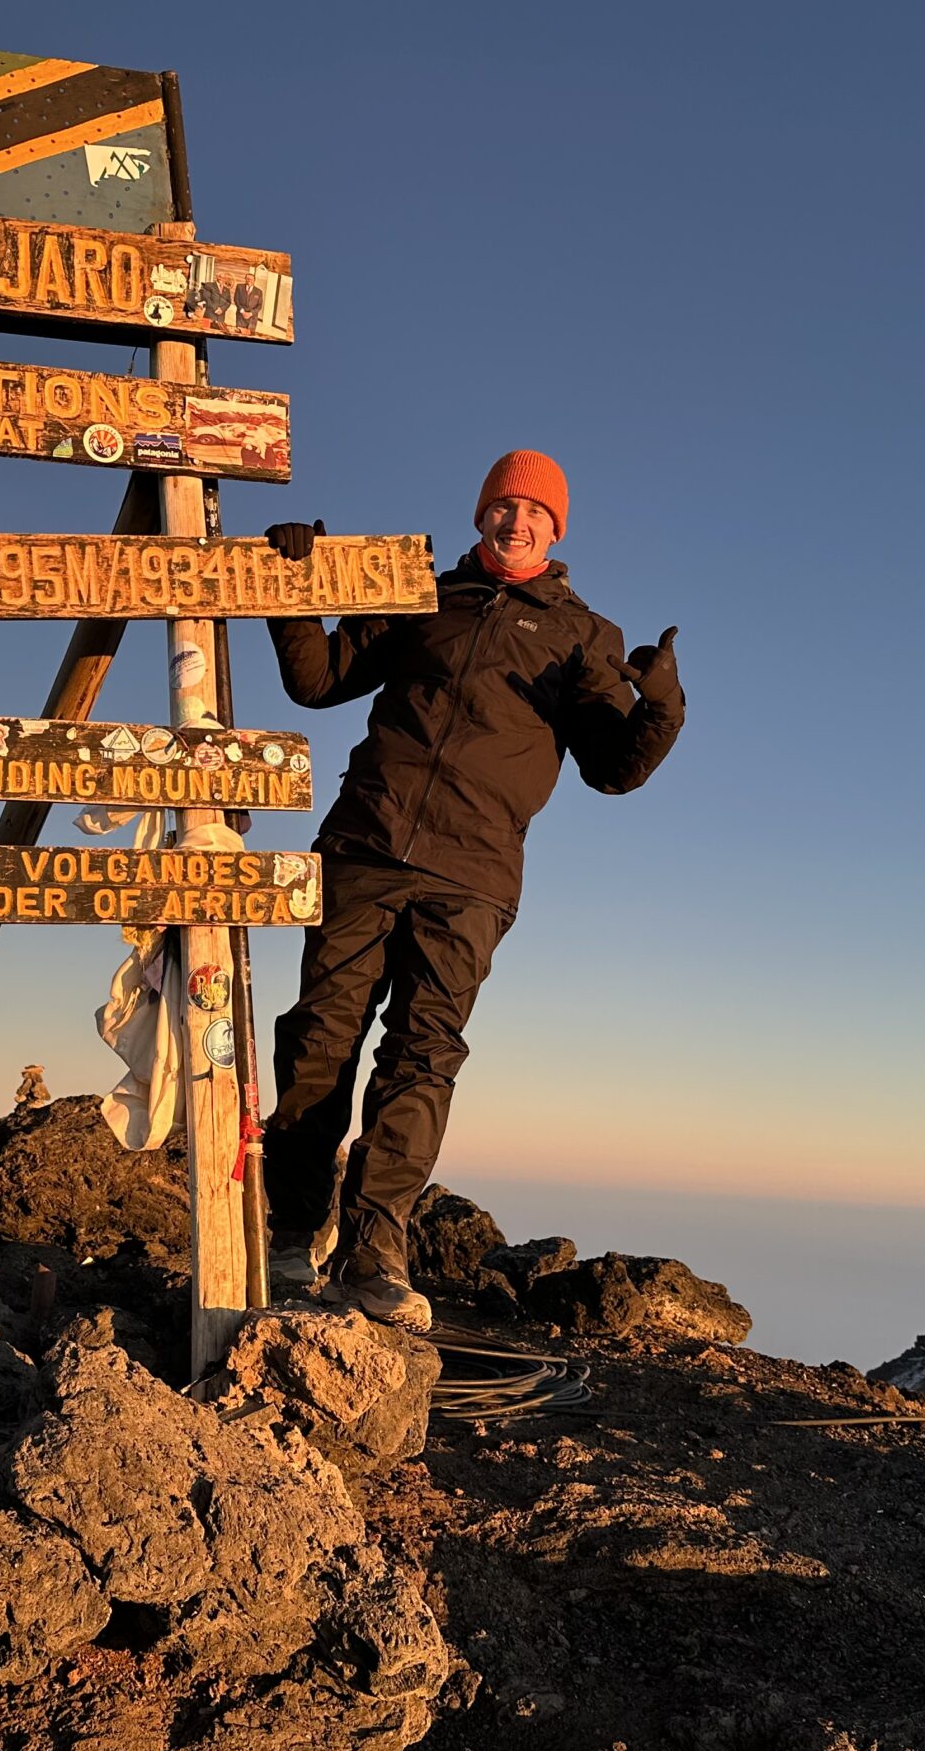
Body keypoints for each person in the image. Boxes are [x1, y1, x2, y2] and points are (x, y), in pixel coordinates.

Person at [259, 450, 684, 1330]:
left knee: (422, 1054)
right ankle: (292, 1237)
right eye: (503, 505)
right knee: (317, 1040)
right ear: (481, 514)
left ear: (556, 529)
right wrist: (291, 587)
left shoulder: (582, 635)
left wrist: (661, 710)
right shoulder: (420, 594)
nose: (517, 520)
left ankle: (374, 1256)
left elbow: (611, 768)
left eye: (535, 511)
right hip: (365, 847)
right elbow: (318, 679)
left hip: (474, 876)